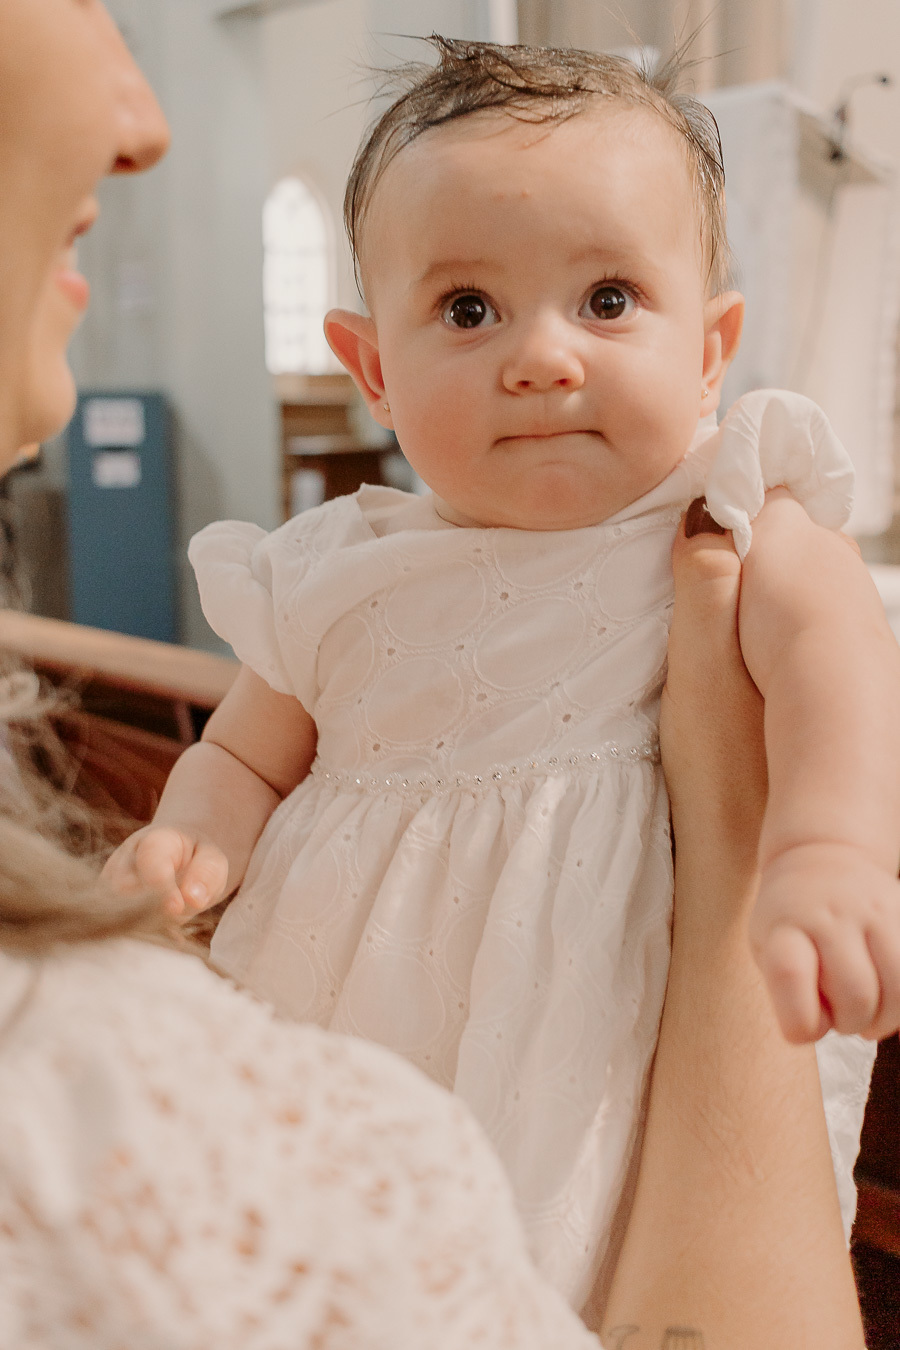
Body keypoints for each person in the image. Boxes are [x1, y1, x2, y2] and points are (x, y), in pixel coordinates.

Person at [0, 4, 870, 1344]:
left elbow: (838, 650)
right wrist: (194, 833)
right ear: (372, 369)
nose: (542, 356)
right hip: (351, 1004)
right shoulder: (341, 567)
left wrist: (825, 845)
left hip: (606, 1028)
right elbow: (244, 751)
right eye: (469, 309)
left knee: (577, 1258)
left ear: (710, 349)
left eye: (609, 300)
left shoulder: (729, 513)